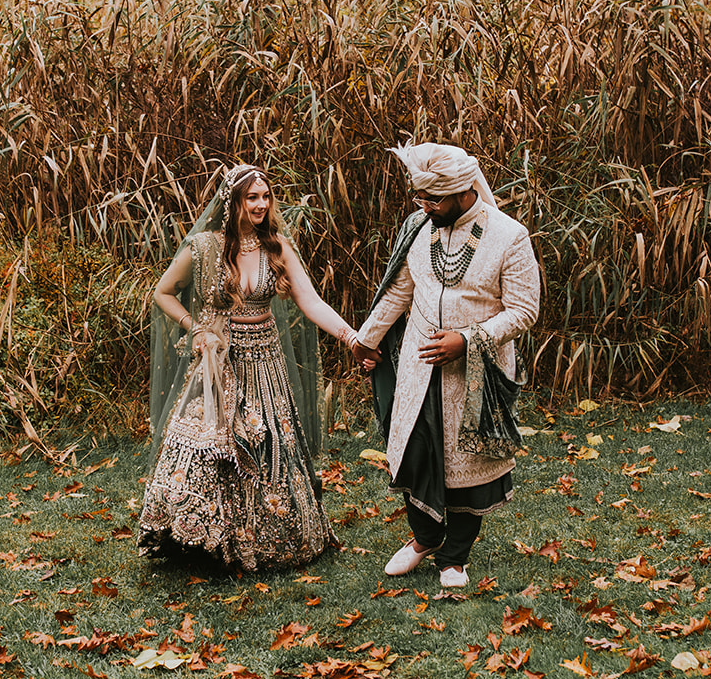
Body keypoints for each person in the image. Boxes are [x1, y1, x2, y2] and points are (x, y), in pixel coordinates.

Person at [139, 163, 361, 571]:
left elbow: (310, 302)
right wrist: (196, 328)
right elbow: (163, 293)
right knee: (208, 445)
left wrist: (351, 337)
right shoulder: (204, 247)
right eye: (251, 197)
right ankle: (196, 536)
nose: (260, 205)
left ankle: (269, 537)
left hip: (265, 363)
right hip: (218, 361)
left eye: (265, 197)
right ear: (234, 201)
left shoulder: (275, 247)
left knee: (268, 445)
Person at [352, 143, 541, 589]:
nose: (423, 207)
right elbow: (401, 290)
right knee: (415, 453)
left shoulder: (509, 236)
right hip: (419, 367)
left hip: (477, 376)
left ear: (463, 191)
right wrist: (367, 339)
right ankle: (423, 538)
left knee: (468, 469)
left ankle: (454, 557)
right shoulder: (420, 227)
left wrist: (468, 340)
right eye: (419, 198)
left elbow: (524, 310)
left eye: (433, 199)